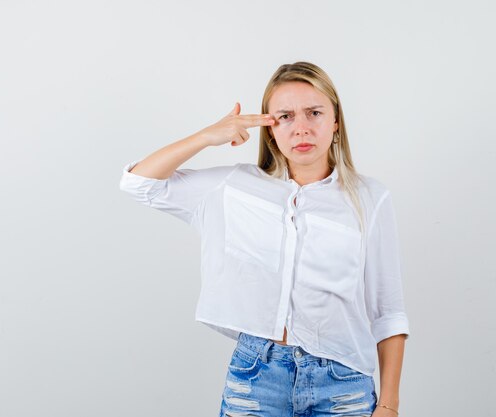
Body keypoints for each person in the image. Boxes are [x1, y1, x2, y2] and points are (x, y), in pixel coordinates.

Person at [119, 61, 410, 417]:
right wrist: (208, 135)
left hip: (343, 381)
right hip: (257, 378)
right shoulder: (233, 187)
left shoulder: (369, 198)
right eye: (285, 116)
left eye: (314, 113)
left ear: (335, 122)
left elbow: (388, 313)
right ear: (270, 130)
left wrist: (389, 406)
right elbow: (139, 183)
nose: (301, 128)